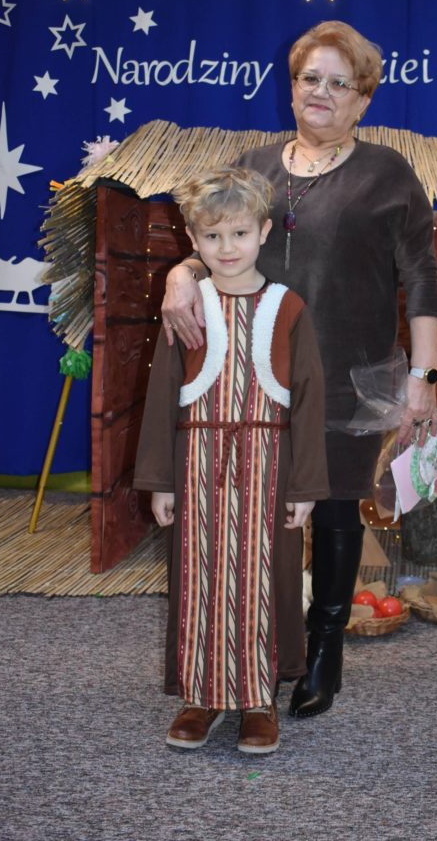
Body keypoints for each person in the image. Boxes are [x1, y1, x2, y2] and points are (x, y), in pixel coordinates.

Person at [162, 20, 437, 719]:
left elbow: (422, 278)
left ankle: (325, 650)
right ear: (291, 88)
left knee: (336, 507)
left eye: (338, 83)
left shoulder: (388, 173)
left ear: (363, 100)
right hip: (253, 373)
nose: (321, 92)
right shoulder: (255, 162)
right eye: (309, 78)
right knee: (255, 510)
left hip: (347, 375)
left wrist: (424, 377)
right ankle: (255, 643)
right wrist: (179, 273)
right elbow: (214, 239)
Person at [134, 167, 329, 755]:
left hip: (271, 466)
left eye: (239, 233)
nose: (227, 248)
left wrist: (305, 486)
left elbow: (310, 398)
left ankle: (257, 700)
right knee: (199, 579)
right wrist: (160, 480)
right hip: (197, 465)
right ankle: (201, 695)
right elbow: (163, 395)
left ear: (263, 232)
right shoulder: (186, 307)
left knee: (264, 579)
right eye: (213, 236)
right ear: (193, 240)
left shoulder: (287, 308)